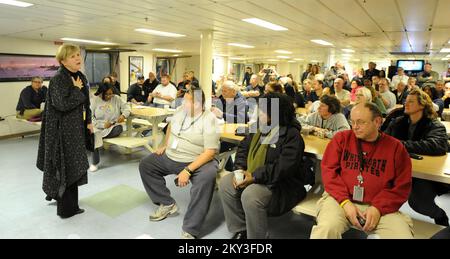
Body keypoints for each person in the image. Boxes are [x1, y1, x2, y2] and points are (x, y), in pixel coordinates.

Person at [310, 103, 413, 239]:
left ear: (377, 122)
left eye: (361, 122)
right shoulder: (341, 139)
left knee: (401, 235)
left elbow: (401, 187)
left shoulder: (395, 148)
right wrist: (345, 203)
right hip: (340, 201)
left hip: (380, 207)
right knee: (326, 229)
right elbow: (330, 173)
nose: (355, 127)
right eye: (352, 122)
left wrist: (377, 208)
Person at [219, 93, 307, 239]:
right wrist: (239, 169)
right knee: (225, 184)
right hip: (255, 176)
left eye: (262, 110)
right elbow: (243, 149)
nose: (258, 113)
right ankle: (241, 229)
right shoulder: (258, 128)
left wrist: (254, 176)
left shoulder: (292, 136)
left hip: (281, 185)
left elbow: (283, 168)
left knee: (251, 195)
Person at [139, 86, 220, 239]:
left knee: (206, 178)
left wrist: (188, 171)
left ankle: (191, 229)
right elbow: (170, 126)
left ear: (197, 104)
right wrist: (165, 145)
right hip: (171, 155)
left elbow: (210, 152)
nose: (183, 103)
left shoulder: (209, 119)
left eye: (187, 101)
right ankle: (167, 203)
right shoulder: (180, 111)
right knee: (146, 165)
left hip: (196, 160)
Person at [37, 44, 93, 219]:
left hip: (76, 130)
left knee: (72, 167)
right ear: (62, 61)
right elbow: (61, 104)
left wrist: (89, 121)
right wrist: (75, 89)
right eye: (72, 56)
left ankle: (71, 205)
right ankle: (66, 210)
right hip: (63, 133)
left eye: (78, 55)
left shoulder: (79, 76)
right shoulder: (59, 78)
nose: (77, 58)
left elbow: (86, 102)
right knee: (65, 167)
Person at [385, 89, 449, 226]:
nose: (406, 104)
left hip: (423, 174)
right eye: (406, 101)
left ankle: (440, 216)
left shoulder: (434, 125)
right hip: (397, 168)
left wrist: (400, 145)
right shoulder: (398, 122)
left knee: (418, 203)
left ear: (422, 105)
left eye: (411, 102)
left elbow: (437, 145)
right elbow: (384, 140)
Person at [89, 84, 131, 172]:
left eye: (111, 94)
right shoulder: (95, 100)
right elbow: (90, 117)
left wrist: (123, 115)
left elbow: (127, 107)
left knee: (118, 129)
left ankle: (97, 137)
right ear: (101, 93)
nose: (109, 96)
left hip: (113, 126)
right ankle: (94, 162)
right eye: (107, 94)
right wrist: (102, 125)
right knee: (94, 135)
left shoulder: (116, 98)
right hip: (98, 126)